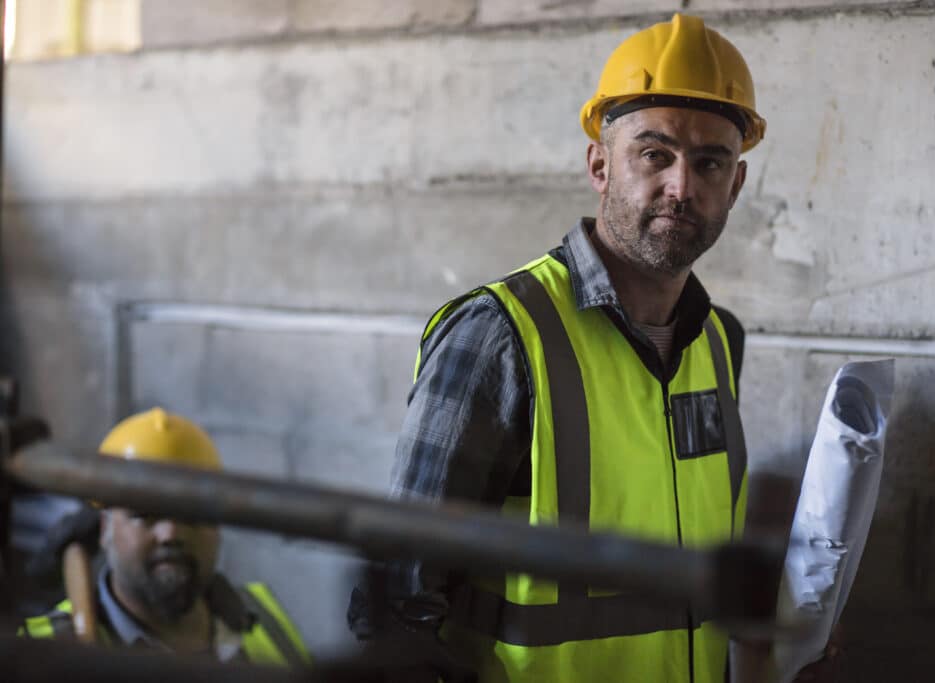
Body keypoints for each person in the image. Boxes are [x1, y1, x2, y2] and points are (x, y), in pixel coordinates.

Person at [353, 13, 836, 682]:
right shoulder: (499, 334)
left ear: (737, 184)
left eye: (710, 162)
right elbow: (395, 604)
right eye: (654, 153)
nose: (681, 186)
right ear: (600, 164)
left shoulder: (720, 341)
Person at [19, 408, 311, 667]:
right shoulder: (40, 651)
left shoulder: (263, 615)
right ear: (105, 527)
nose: (170, 533)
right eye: (144, 514)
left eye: (192, 513)